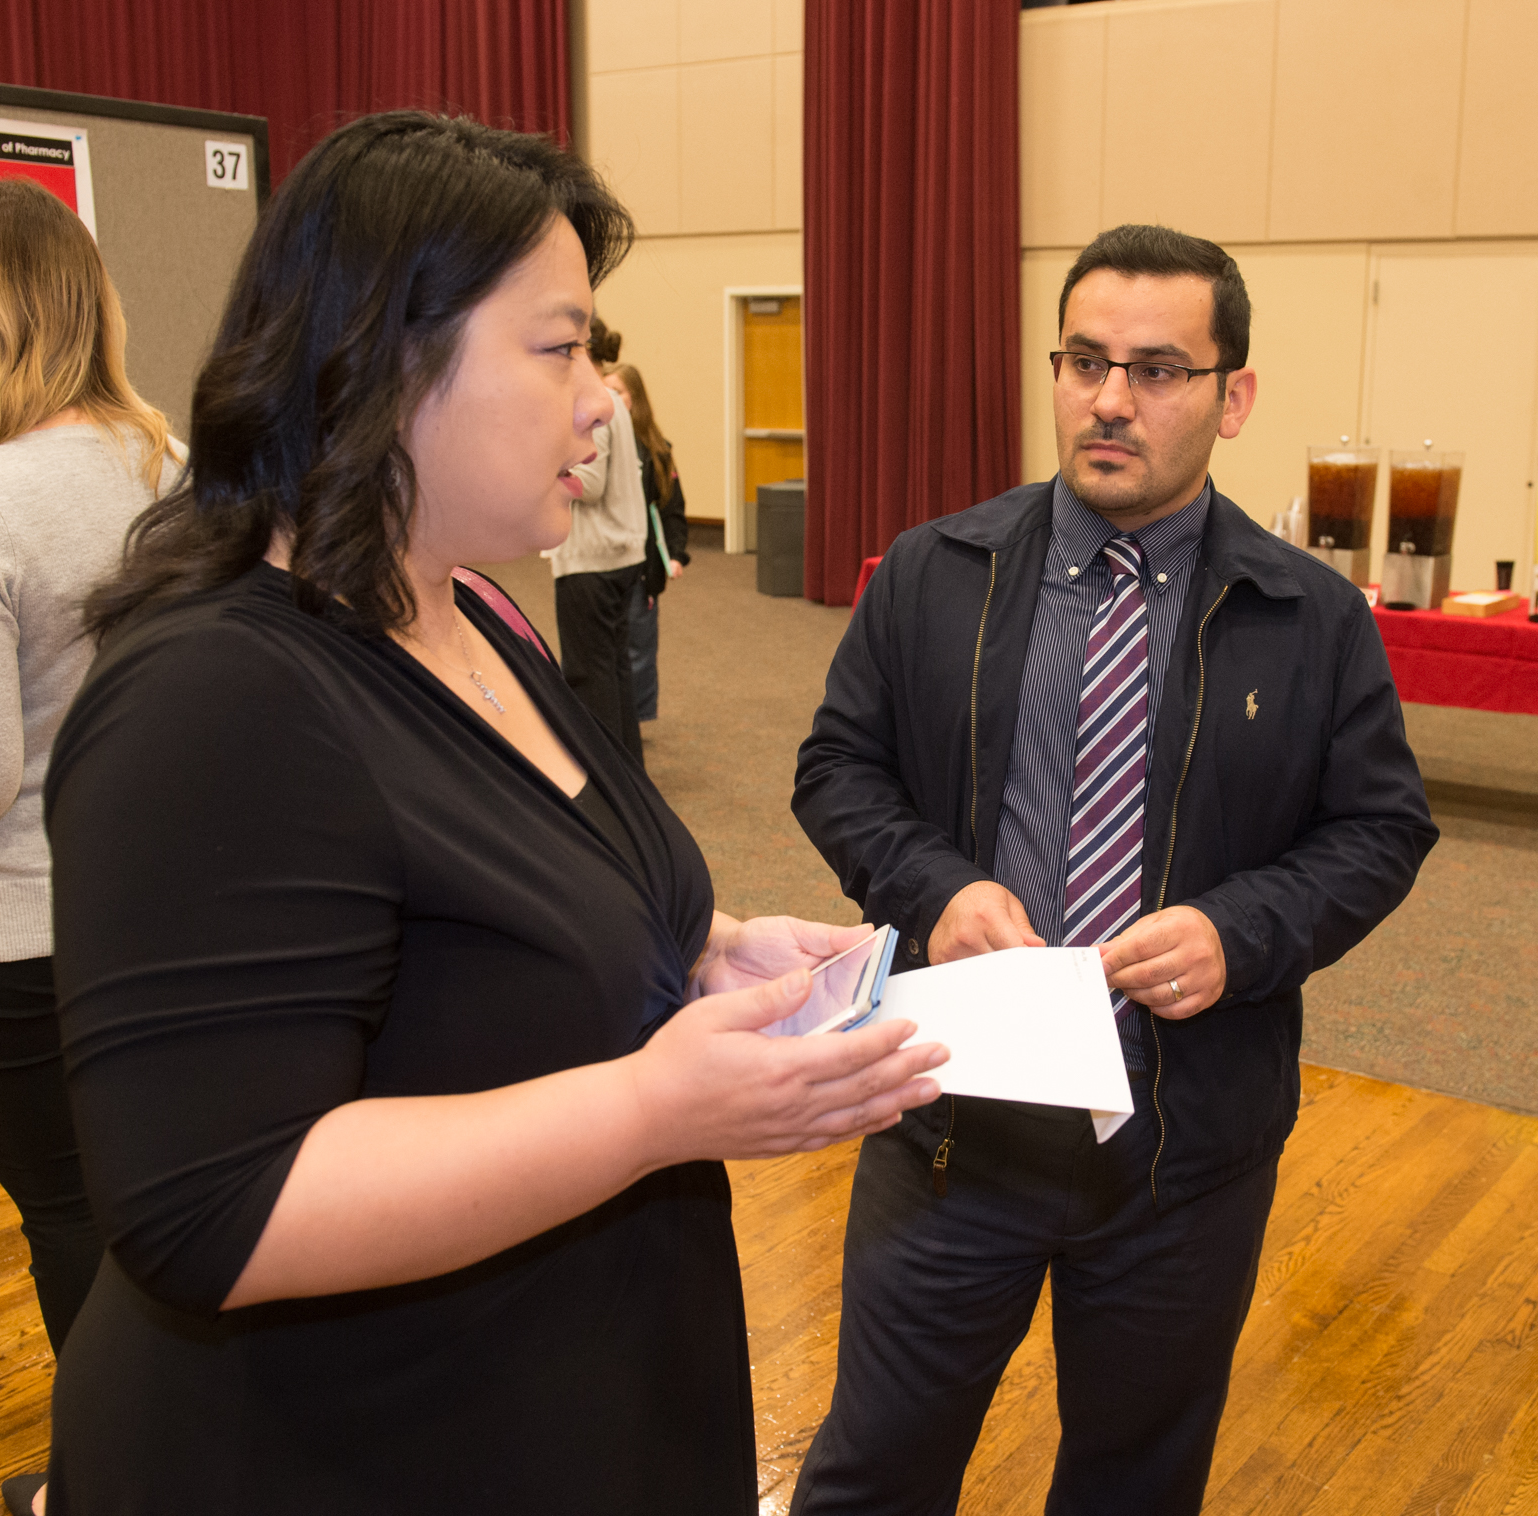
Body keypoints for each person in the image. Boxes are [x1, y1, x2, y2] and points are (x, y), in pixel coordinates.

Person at [41, 112, 947, 1516]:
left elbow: (519, 908)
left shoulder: (472, 611)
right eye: (560, 345)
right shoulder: (219, 695)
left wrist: (712, 951)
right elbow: (215, 1208)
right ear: (386, 358)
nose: (600, 396)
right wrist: (652, 1107)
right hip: (340, 1450)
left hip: (560, 1392)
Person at [789, 224, 1438, 1515]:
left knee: (1135, 1487)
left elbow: (1381, 829)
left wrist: (1237, 934)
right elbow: (837, 772)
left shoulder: (1311, 618)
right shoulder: (933, 575)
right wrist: (936, 888)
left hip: (1180, 1157)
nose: (1108, 400)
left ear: (1232, 396)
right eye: (1084, 361)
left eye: (1156, 370)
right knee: (874, 1475)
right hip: (948, 1127)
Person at [0, 178, 185, 1516]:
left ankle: (107, 1484)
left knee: (70, 1226)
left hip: (2, 930)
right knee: (158, 1209)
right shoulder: (171, 469)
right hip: (155, 909)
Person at [547, 314, 649, 760]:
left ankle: (608, 777)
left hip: (594, 559)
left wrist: (548, 471)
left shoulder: (593, 404)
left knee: (590, 676)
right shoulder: (613, 403)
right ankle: (629, 773)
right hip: (619, 555)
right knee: (614, 669)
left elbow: (591, 482)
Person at [604, 362, 690, 722]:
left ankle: (635, 719)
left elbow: (672, 507)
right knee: (605, 643)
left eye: (617, 392)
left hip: (643, 564)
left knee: (639, 642)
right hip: (607, 557)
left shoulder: (656, 450)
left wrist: (675, 554)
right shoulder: (596, 442)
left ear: (634, 398)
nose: (609, 399)